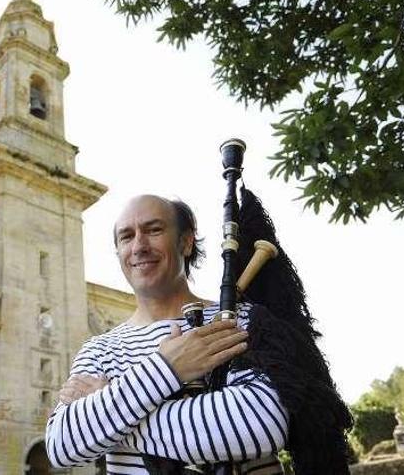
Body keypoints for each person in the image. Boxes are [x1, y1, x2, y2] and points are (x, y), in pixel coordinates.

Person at [45, 195, 288, 473]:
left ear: (186, 242)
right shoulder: (99, 349)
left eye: (154, 230)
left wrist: (110, 409)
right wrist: (167, 367)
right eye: (126, 236)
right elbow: (61, 445)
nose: (138, 246)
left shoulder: (240, 319)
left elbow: (263, 423)